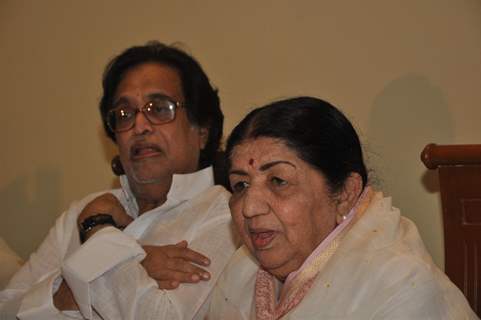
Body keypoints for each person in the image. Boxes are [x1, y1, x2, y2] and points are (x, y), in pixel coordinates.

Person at [0, 41, 237, 320]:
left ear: (202, 132)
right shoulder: (82, 210)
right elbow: (6, 307)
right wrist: (136, 261)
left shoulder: (226, 215)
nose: (139, 126)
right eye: (124, 114)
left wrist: (98, 231)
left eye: (159, 108)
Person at [208, 96, 477, 319]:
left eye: (278, 180)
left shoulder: (399, 288)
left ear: (346, 193)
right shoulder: (241, 273)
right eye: (240, 185)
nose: (250, 208)